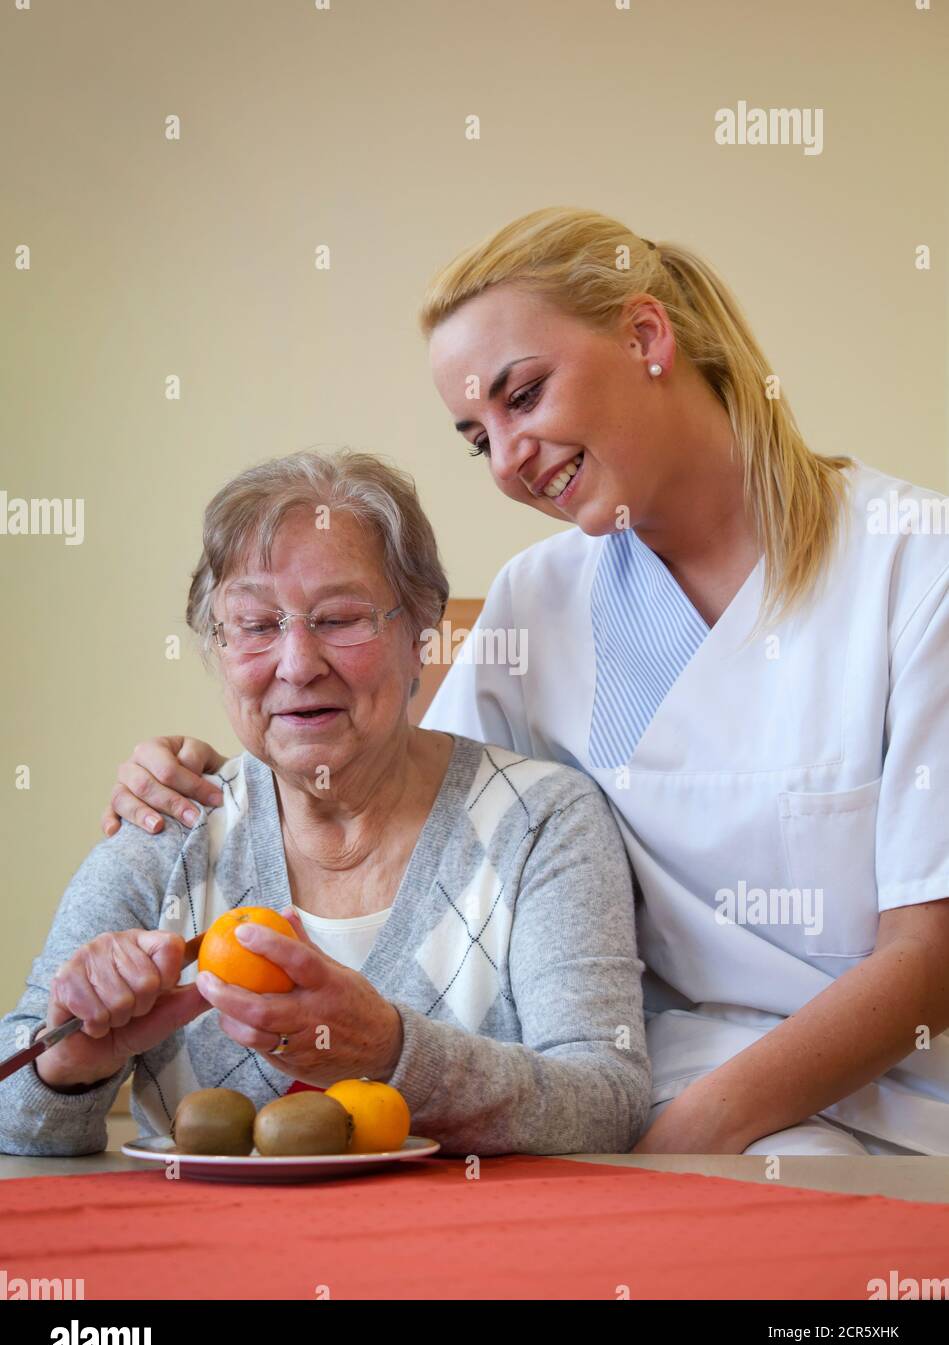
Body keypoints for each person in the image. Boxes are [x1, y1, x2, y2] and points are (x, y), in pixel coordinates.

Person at [99, 207, 949, 1157]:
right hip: (630, 1095)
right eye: (476, 435)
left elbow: (931, 955)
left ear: (644, 336)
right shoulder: (539, 599)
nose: (507, 460)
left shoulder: (913, 568)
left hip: (878, 1110)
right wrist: (214, 773)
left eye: (525, 395)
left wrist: (681, 1144)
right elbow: (406, 798)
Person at [0, 449, 651, 1158]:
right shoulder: (167, 827)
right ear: (215, 648)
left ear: (419, 634)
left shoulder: (540, 821)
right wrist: (70, 1066)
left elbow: (605, 1104)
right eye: (255, 625)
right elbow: (13, 1119)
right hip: (205, 1261)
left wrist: (391, 1051)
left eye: (340, 619)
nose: (298, 663)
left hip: (469, 1258)